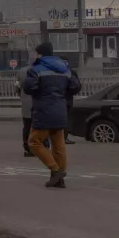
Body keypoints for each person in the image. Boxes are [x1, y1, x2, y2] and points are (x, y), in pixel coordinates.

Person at [23, 42, 81, 188]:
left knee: (34, 142)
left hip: (43, 110)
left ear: (40, 54)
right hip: (60, 110)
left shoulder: (36, 69)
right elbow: (75, 86)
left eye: (36, 53)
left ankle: (55, 171)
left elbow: (29, 88)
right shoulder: (64, 68)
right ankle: (59, 180)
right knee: (59, 145)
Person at [15, 74, 48, 157]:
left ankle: (28, 149)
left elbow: (17, 88)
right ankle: (43, 146)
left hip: (27, 103)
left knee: (27, 126)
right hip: (42, 104)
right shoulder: (45, 70)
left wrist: (23, 96)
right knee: (43, 126)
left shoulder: (21, 72)